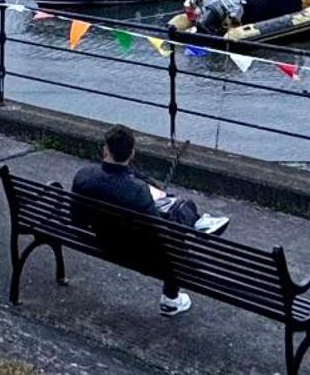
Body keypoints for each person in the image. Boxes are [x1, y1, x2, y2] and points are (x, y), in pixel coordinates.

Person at [71, 124, 229, 316]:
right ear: (132, 153)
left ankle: (196, 221)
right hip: (137, 253)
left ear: (105, 150)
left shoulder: (84, 176)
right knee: (179, 214)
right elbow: (162, 234)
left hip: (102, 240)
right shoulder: (138, 191)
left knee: (173, 210)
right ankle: (171, 298)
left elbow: (77, 218)